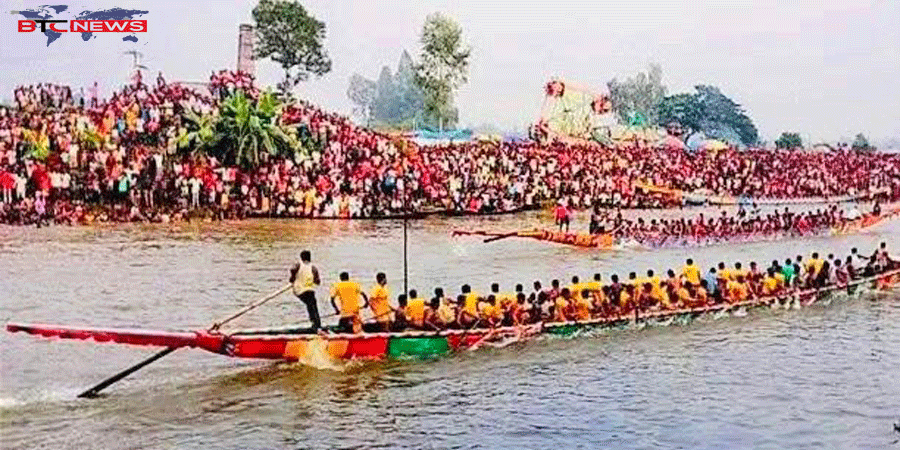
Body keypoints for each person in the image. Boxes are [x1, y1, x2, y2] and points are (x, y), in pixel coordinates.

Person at [289, 250, 322, 331]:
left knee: (311, 304)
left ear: (301, 258)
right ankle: (316, 323)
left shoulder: (298, 265)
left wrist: (292, 278)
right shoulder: (313, 268)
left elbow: (292, 270)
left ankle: (315, 322)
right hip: (303, 290)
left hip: (301, 290)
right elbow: (317, 282)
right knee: (312, 304)